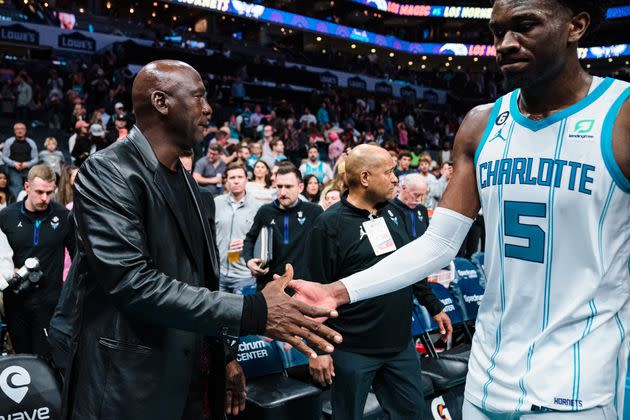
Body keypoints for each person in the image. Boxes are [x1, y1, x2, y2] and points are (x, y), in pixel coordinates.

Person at [290, 2, 630, 418]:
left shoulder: (622, 115)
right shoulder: (480, 123)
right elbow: (438, 244)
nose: (504, 44)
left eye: (524, 26)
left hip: (580, 384)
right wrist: (336, 291)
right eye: (496, 31)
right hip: (486, 377)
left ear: (576, 25)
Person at [49, 60, 340, 420]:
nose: (208, 109)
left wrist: (226, 357)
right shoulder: (107, 171)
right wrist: (253, 312)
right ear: (161, 102)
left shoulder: (183, 178)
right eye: (199, 97)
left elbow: (200, 280)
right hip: (131, 385)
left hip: (192, 377)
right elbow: (132, 283)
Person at [303, 145, 437, 419]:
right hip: (353, 350)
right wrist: (318, 350)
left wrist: (434, 306)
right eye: (388, 172)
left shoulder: (392, 212)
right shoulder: (328, 225)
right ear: (365, 178)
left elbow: (409, 265)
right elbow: (311, 292)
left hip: (400, 346)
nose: (394, 179)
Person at [0, 165, 75, 358]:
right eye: (39, 192)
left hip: (50, 303)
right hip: (15, 302)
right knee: (23, 359)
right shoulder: (6, 217)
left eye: (50, 193)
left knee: (45, 361)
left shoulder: (64, 216)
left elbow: (77, 258)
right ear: (26, 186)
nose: (44, 198)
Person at [243, 163, 323, 289]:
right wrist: (249, 261)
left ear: (300, 187)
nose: (283, 192)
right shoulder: (265, 211)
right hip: (269, 286)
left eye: (288, 186)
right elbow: (250, 239)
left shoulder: (314, 212)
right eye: (279, 186)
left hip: (302, 287)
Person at [214, 163, 262, 293]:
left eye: (240, 177)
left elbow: (262, 240)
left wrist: (247, 244)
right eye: (232, 177)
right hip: (219, 274)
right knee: (219, 313)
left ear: (246, 179)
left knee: (243, 313)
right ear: (226, 181)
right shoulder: (216, 203)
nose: (236, 181)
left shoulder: (257, 207)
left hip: (245, 275)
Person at [2, 122, 38, 198]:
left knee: (31, 187)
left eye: (22, 129)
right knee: (16, 188)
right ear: (14, 131)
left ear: (25, 131)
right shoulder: (9, 142)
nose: (20, 131)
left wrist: (27, 164)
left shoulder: (31, 142)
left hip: (28, 169)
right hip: (13, 169)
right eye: (17, 129)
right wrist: (14, 163)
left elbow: (36, 158)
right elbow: (4, 157)